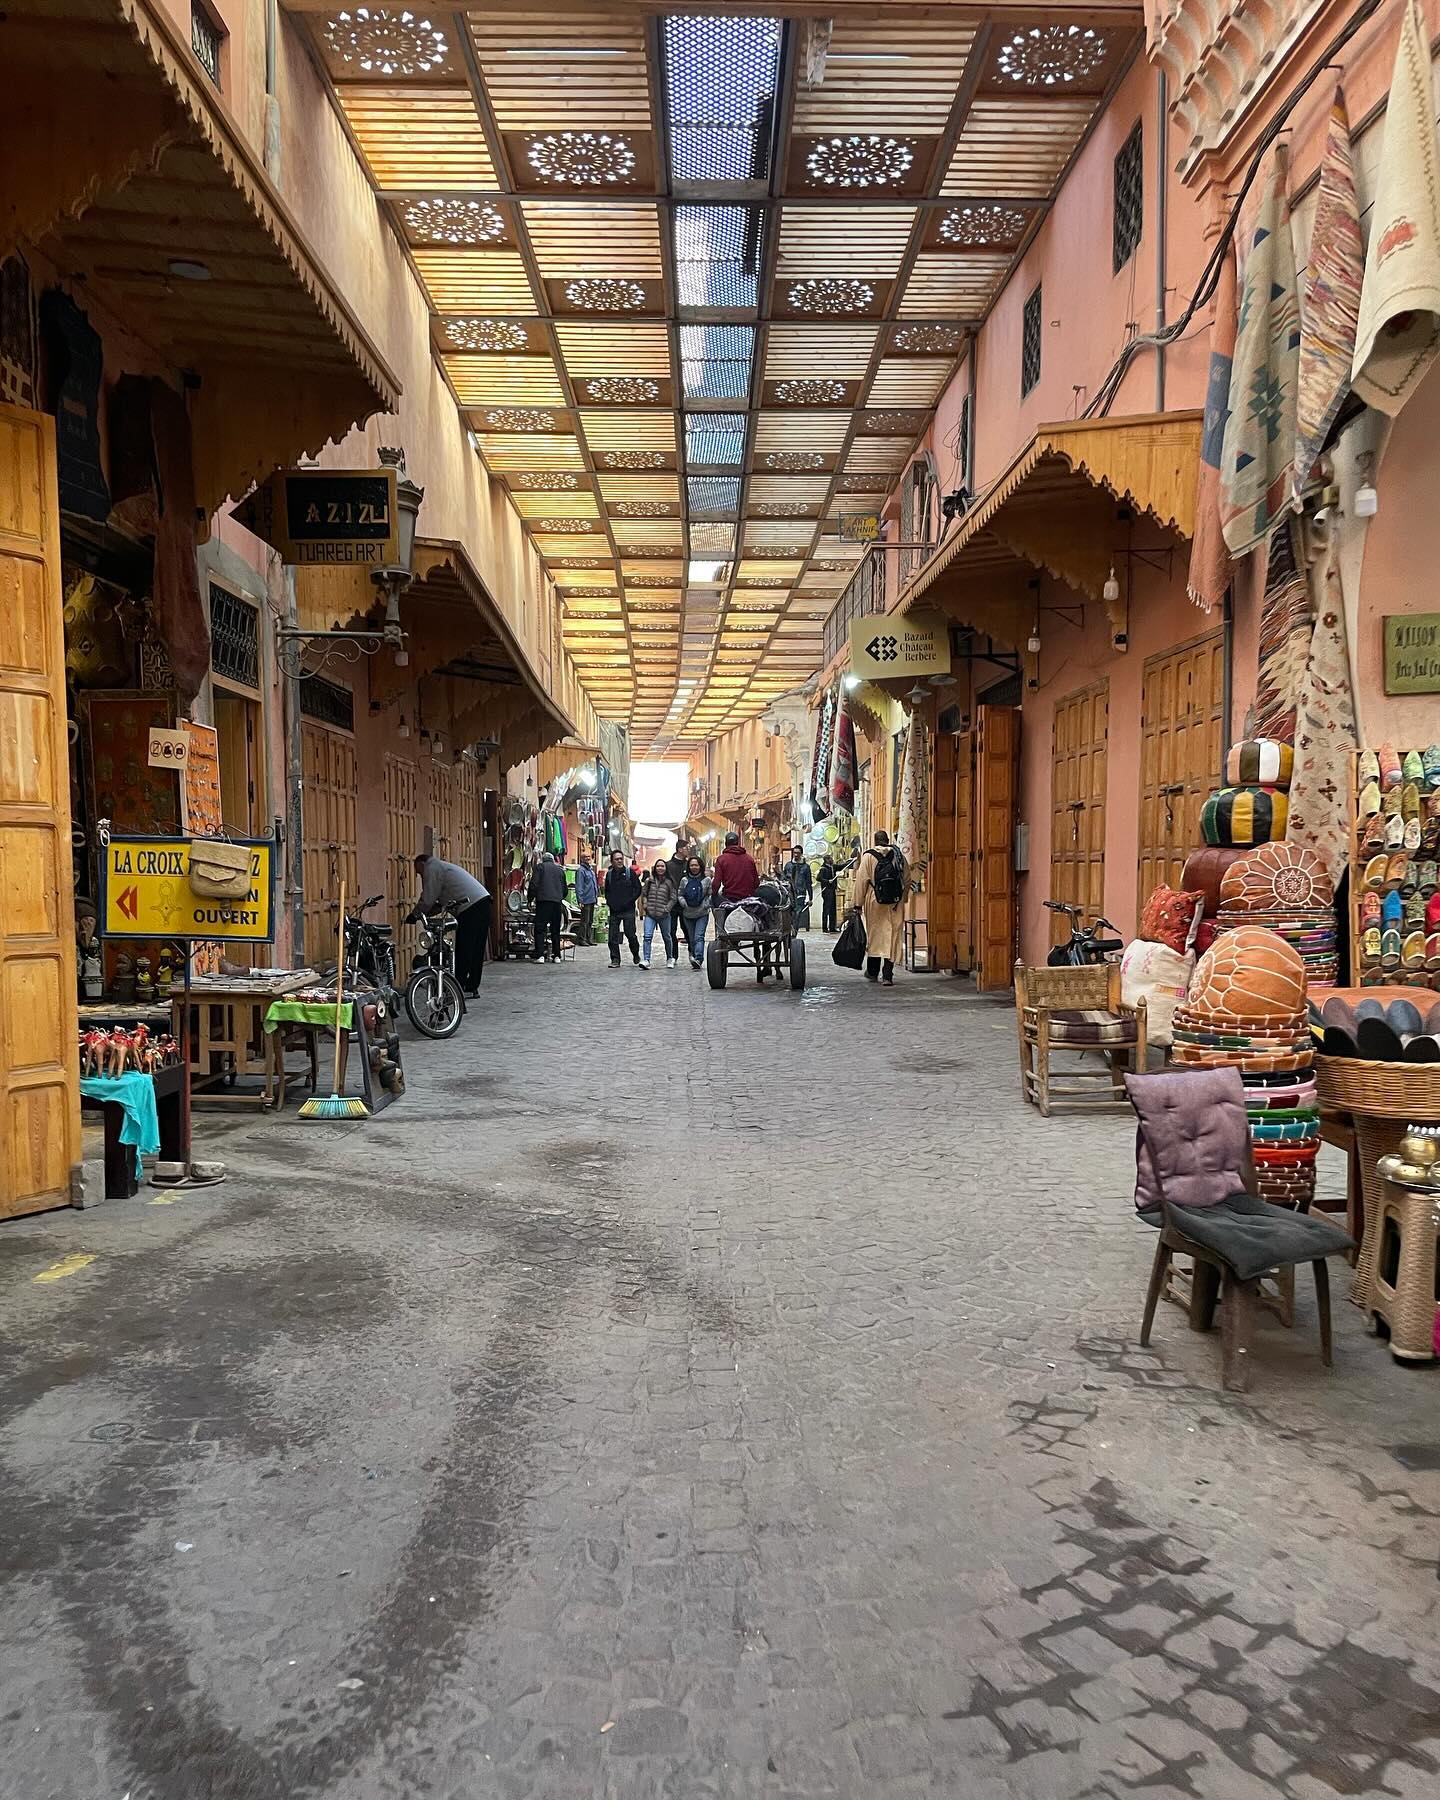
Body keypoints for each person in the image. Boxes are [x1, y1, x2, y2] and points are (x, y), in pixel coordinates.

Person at [408, 854, 490, 996]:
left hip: (470, 907)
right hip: (483, 901)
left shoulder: (431, 868)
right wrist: (426, 912)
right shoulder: (442, 867)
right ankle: (472, 986)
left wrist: (415, 915)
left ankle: (458, 986)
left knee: (464, 948)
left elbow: (428, 899)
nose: (420, 875)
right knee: (476, 948)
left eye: (419, 871)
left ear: (421, 863)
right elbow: (439, 904)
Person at [850, 829, 907, 985]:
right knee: (893, 936)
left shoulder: (868, 856)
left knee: (875, 935)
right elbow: (906, 877)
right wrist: (903, 897)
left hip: (875, 900)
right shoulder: (898, 855)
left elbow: (861, 881)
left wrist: (857, 904)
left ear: (875, 841)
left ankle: (872, 972)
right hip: (895, 902)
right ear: (887, 840)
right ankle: (888, 975)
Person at [604, 851, 642, 967]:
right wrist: (610, 903)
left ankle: (635, 953)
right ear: (612, 861)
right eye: (617, 859)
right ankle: (615, 959)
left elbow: (638, 889)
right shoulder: (610, 875)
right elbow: (607, 891)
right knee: (612, 937)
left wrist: (630, 901)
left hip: (628, 910)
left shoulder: (630, 873)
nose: (619, 861)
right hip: (615, 911)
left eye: (621, 859)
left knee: (630, 934)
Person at [527, 851, 567, 963]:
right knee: (555, 930)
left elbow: (534, 884)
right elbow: (565, 889)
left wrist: (530, 899)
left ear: (543, 860)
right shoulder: (560, 870)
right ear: (553, 859)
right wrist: (559, 897)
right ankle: (557, 956)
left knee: (540, 929)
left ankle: (540, 955)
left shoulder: (540, 867)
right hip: (557, 903)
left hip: (543, 902)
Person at [641, 857, 678, 969]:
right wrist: (645, 904)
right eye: (658, 866)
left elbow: (673, 897)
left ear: (665, 868)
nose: (660, 868)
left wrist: (667, 908)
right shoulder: (649, 881)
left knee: (667, 937)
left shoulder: (669, 882)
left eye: (662, 866)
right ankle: (646, 959)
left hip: (664, 915)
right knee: (647, 936)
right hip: (650, 914)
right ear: (655, 868)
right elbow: (644, 894)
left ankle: (669, 958)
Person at [678, 855, 711, 969]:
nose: (694, 867)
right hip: (688, 913)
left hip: (702, 913)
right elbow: (680, 894)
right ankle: (693, 955)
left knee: (699, 937)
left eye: (696, 865)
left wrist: (706, 905)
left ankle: (698, 958)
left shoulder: (707, 880)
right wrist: (683, 903)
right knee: (691, 938)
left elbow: (710, 895)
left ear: (700, 866)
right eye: (691, 865)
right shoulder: (684, 880)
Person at [574, 853, 598, 946]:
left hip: (592, 899)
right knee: (584, 921)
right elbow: (579, 886)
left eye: (589, 857)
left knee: (590, 920)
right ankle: (582, 939)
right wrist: (580, 900)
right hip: (585, 899)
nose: (588, 859)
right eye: (585, 857)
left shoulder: (591, 871)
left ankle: (588, 939)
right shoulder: (581, 871)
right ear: (582, 859)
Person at [788, 845, 814, 931]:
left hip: (800, 893)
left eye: (798, 853)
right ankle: (791, 930)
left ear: (801, 854)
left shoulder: (806, 867)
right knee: (789, 913)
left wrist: (810, 898)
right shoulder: (788, 866)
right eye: (794, 853)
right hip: (789, 893)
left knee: (798, 913)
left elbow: (808, 883)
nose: (796, 855)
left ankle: (794, 932)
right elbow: (784, 879)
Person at [818, 854, 839, 933]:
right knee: (826, 909)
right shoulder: (823, 869)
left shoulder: (833, 867)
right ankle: (824, 928)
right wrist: (827, 881)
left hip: (832, 890)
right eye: (831, 858)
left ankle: (832, 927)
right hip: (826, 891)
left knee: (833, 910)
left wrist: (852, 860)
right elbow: (818, 878)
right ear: (827, 860)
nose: (832, 859)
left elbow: (841, 866)